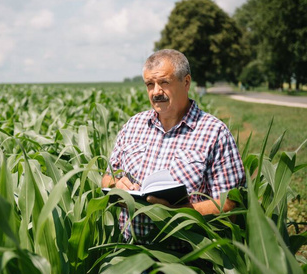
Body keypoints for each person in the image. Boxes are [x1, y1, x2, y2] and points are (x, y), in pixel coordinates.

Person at [102, 49, 245, 241]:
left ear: (186, 82)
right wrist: (116, 184)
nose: (156, 92)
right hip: (129, 255)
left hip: (185, 259)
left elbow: (229, 205)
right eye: (150, 84)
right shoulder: (133, 126)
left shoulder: (214, 132)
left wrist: (179, 213)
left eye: (164, 83)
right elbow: (107, 177)